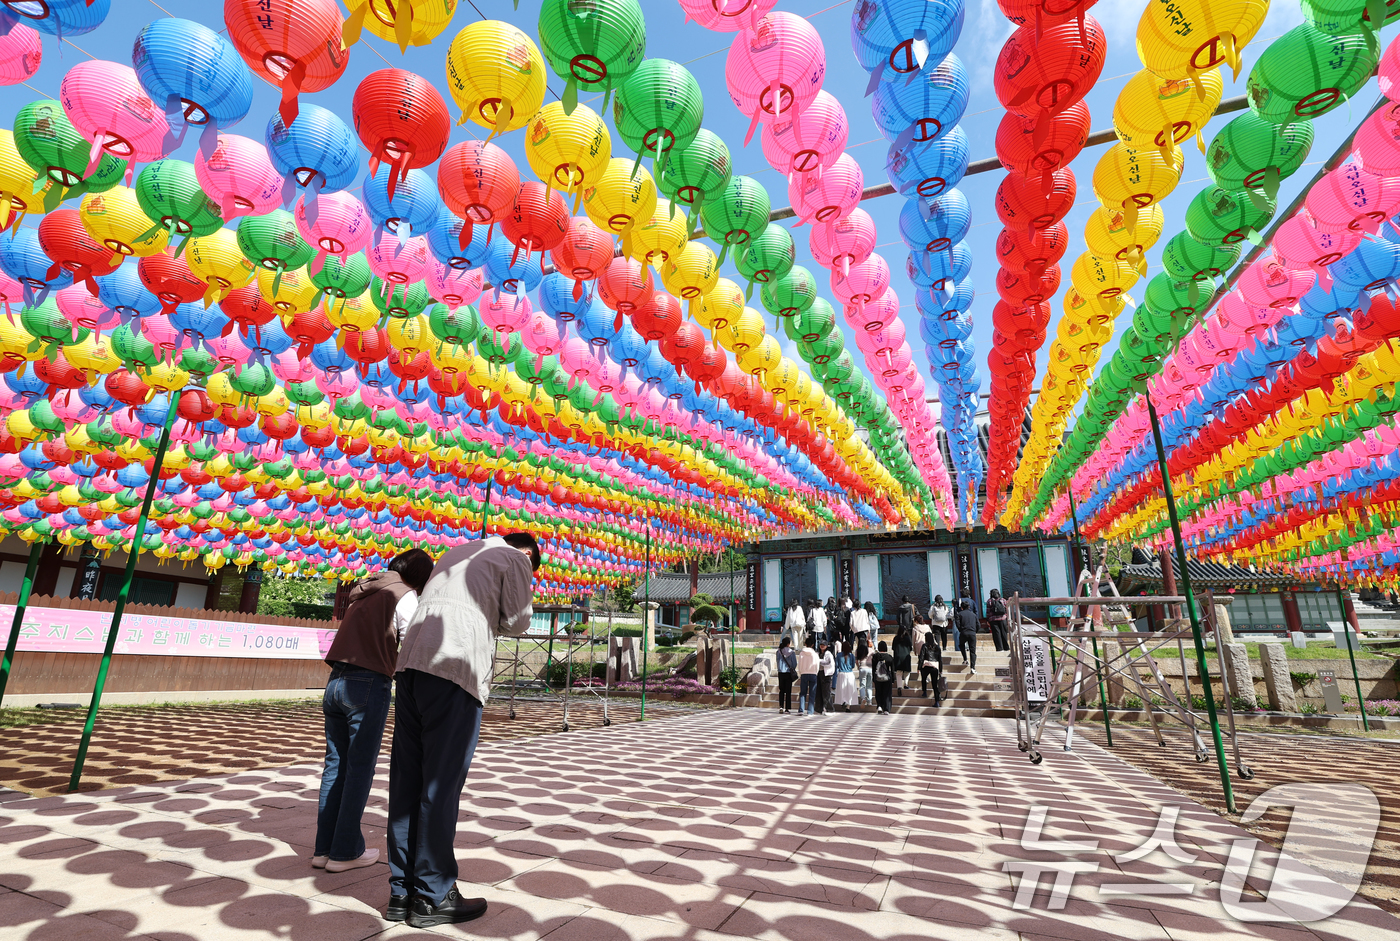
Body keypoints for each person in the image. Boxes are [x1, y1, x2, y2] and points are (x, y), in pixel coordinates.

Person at [387, 532, 539, 928]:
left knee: (407, 781)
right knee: (439, 785)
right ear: (527, 553)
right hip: (455, 668)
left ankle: (401, 893)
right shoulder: (515, 558)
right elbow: (519, 621)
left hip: (411, 667)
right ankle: (434, 896)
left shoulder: (454, 552)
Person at [314, 548, 434, 874]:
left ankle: (324, 849)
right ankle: (344, 852)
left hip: (335, 681)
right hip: (367, 684)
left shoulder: (364, 591)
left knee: (334, 767)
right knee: (359, 769)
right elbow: (411, 641)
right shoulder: (403, 595)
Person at [956, 598, 980, 675]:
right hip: (972, 633)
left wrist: (961, 630)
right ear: (969, 607)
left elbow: (958, 625)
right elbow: (978, 625)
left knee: (961, 645)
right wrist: (974, 631)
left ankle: (965, 659)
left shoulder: (959, 614)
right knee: (972, 651)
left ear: (961, 608)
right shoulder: (973, 615)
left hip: (963, 632)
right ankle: (973, 668)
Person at [871, 641, 896, 714]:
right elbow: (892, 669)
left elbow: (873, 668)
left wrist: (873, 678)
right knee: (887, 693)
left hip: (877, 677)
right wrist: (893, 679)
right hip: (887, 678)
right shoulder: (889, 657)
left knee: (879, 692)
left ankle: (879, 705)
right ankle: (886, 709)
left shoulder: (875, 656)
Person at [797, 638, 820, 716]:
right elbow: (817, 665)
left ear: (805, 644)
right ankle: (810, 711)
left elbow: (799, 664)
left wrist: (801, 672)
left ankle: (801, 709)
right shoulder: (815, 654)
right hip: (813, 673)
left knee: (803, 693)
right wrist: (815, 672)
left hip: (804, 673)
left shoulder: (801, 653)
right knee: (812, 693)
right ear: (812, 645)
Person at [775, 636, 797, 714]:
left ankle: (781, 706)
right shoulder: (791, 652)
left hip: (781, 672)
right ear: (788, 644)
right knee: (788, 691)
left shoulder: (778, 651)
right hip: (788, 673)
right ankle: (787, 708)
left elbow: (777, 661)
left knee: (781, 690)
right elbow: (794, 664)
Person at [919, 631, 943, 704]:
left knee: (923, 678)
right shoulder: (937, 647)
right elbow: (940, 659)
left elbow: (921, 658)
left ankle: (924, 691)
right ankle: (937, 702)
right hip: (935, 666)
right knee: (935, 685)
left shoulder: (925, 646)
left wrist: (919, 667)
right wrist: (940, 669)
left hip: (926, 665)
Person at [833, 640, 857, 711]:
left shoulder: (839, 655)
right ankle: (848, 706)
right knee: (849, 690)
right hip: (850, 674)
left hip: (841, 673)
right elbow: (853, 665)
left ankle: (843, 702)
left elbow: (836, 665)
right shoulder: (851, 655)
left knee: (842, 690)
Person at [892, 624, 913, 691]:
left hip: (898, 656)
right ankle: (906, 684)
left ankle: (899, 686)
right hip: (906, 656)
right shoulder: (908, 638)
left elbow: (893, 648)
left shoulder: (896, 638)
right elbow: (910, 648)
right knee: (907, 672)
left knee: (899, 673)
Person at [817, 639, 835, 716]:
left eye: (823, 645)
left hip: (826, 674)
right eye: (821, 645)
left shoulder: (828, 654)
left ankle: (830, 709)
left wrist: (818, 661)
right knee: (819, 692)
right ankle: (819, 709)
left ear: (826, 646)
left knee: (826, 692)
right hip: (819, 673)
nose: (822, 646)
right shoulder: (817, 653)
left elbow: (828, 663)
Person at [856, 634, 872, 706]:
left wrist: (858, 666)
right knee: (869, 686)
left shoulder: (858, 650)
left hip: (862, 667)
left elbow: (856, 660)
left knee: (862, 685)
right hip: (870, 668)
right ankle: (869, 701)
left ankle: (863, 698)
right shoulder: (870, 649)